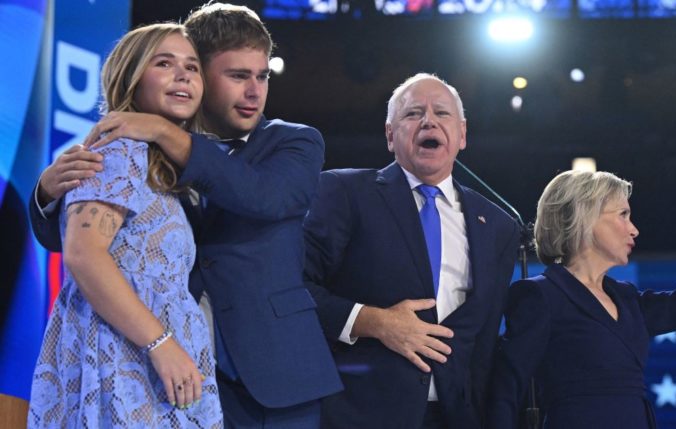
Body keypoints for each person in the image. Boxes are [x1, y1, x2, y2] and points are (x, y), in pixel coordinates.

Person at [28, 3, 342, 428]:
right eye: (236, 76)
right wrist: (48, 191)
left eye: (262, 75)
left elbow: (265, 198)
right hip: (162, 371)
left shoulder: (295, 142)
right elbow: (81, 248)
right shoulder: (134, 153)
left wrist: (162, 131)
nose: (255, 91)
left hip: (273, 376)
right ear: (202, 76)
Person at [27, 23, 223, 428]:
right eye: (164, 63)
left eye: (192, 66)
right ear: (131, 77)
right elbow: (84, 256)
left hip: (152, 357)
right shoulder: (120, 151)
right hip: (123, 352)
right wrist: (161, 343)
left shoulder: (162, 167)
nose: (183, 74)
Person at [302, 73, 521, 429]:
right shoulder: (346, 192)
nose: (429, 121)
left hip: (455, 416)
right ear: (390, 135)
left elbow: (482, 346)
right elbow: (295, 287)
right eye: (413, 113)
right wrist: (375, 322)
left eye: (442, 113)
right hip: (358, 412)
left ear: (462, 134)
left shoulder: (497, 225)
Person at [487, 170, 676, 429]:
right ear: (584, 218)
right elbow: (505, 390)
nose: (634, 230)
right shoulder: (541, 295)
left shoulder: (627, 299)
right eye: (623, 215)